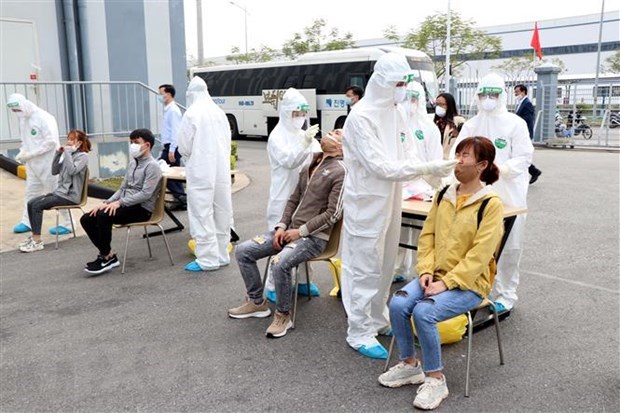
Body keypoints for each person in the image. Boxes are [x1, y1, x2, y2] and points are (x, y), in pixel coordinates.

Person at [340, 52, 458, 360]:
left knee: (386, 261)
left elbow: (407, 151)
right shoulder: (361, 117)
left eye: (405, 82)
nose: (402, 88)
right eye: (398, 82)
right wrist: (425, 168)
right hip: (365, 199)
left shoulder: (396, 112)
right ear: (381, 82)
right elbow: (381, 166)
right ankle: (359, 330)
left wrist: (429, 175)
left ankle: (377, 318)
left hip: (392, 196)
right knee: (363, 265)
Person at [379, 136, 504, 411]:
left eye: (465, 156)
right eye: (457, 153)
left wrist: (447, 282)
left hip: (470, 284)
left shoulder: (490, 204)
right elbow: (428, 235)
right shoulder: (443, 193)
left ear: (482, 165)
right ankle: (410, 365)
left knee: (424, 312)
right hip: (435, 275)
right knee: (399, 302)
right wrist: (425, 270)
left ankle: (436, 378)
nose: (458, 159)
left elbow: (480, 255)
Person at [228, 129, 346, 338]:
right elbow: (293, 199)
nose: (329, 132)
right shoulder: (312, 162)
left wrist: (300, 232)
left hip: (314, 238)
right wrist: (282, 226)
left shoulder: (341, 171)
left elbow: (333, 214)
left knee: (279, 262)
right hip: (289, 230)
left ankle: (283, 315)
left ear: (343, 146)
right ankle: (257, 303)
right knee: (243, 251)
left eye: (336, 133)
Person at [451, 73, 533, 313]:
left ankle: (506, 294)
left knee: (509, 246)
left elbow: (524, 156)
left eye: (493, 94)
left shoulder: (515, 123)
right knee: (473, 245)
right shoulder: (471, 125)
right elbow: (457, 156)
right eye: (484, 94)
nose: (488, 99)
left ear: (502, 96)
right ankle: (473, 291)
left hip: (508, 196)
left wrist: (502, 170)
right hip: (474, 195)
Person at [264, 87, 321, 301]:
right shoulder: (277, 137)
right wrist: (305, 143)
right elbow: (290, 161)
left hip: (305, 200)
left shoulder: (304, 135)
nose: (300, 118)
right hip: (283, 198)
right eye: (296, 114)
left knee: (304, 240)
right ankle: (273, 285)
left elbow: (317, 159)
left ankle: (304, 281)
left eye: (303, 114)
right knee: (280, 243)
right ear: (286, 113)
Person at [80, 129, 162, 275]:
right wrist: (107, 202)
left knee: (104, 216)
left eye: (136, 142)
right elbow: (122, 187)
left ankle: (106, 258)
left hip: (142, 209)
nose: (132, 145)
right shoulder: (132, 164)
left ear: (147, 145)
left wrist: (119, 203)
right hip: (126, 205)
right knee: (86, 218)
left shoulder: (153, 167)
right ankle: (108, 254)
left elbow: (145, 194)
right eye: (131, 142)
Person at [177, 76, 233, 272]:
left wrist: (189, 158)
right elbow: (228, 140)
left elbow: (184, 145)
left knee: (202, 213)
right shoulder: (219, 112)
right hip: (221, 171)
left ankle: (207, 259)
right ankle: (222, 254)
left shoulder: (191, 113)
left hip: (201, 170)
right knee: (222, 211)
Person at [394, 80, 443, 283]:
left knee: (425, 233)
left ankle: (421, 271)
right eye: (406, 98)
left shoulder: (429, 128)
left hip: (424, 189)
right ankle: (399, 268)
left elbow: (435, 158)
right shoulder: (396, 124)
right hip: (402, 186)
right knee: (400, 231)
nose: (409, 103)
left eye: (413, 99)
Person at [6, 93, 72, 235]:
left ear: (24, 104)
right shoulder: (23, 119)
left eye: (18, 109)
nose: (17, 113)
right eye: (14, 111)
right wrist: (23, 152)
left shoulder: (44, 118)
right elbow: (25, 139)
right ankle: (27, 221)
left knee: (56, 193)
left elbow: (50, 142)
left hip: (49, 164)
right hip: (33, 165)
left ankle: (68, 223)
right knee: (30, 192)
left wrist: (31, 154)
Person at [18, 130, 90, 252]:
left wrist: (67, 152)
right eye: (68, 138)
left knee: (37, 206)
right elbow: (54, 171)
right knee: (31, 202)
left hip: (70, 196)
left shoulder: (83, 157)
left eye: (72, 139)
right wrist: (57, 154)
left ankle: (37, 241)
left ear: (79, 143)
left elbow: (73, 170)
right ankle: (35, 238)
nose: (68, 141)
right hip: (60, 193)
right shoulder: (69, 155)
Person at [158, 83, 186, 209]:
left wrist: (172, 150)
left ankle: (182, 199)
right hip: (169, 147)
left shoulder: (173, 111)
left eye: (161, 94)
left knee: (163, 172)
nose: (159, 96)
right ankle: (180, 200)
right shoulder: (169, 109)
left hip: (172, 147)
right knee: (173, 175)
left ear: (168, 94)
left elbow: (175, 131)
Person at [514, 84, 542, 184]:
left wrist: (515, 120)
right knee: (518, 155)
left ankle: (534, 171)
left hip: (524, 133)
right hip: (519, 133)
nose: (515, 94)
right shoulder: (521, 103)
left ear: (523, 92)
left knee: (520, 155)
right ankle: (533, 171)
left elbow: (528, 119)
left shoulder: (527, 103)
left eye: (517, 92)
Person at [433, 93, 465, 159]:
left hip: (450, 159)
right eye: (437, 104)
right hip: (435, 159)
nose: (439, 107)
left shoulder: (458, 121)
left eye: (442, 104)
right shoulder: (434, 122)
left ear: (449, 105)